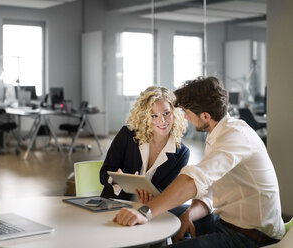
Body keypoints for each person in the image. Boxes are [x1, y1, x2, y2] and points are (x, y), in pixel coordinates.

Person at [113, 77, 285, 247]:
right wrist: (190, 214)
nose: (185, 116)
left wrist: (145, 211)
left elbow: (193, 180)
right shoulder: (218, 134)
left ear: (205, 116)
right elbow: (208, 192)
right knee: (167, 214)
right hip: (225, 222)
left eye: (187, 112)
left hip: (250, 236)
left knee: (155, 214)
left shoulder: (236, 137)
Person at [100, 86, 189, 203]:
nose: (162, 120)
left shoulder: (181, 153)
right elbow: (103, 174)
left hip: (152, 210)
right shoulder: (127, 135)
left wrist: (152, 197)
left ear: (175, 113)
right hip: (115, 203)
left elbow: (165, 192)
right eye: (154, 116)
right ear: (145, 117)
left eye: (166, 113)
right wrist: (116, 179)